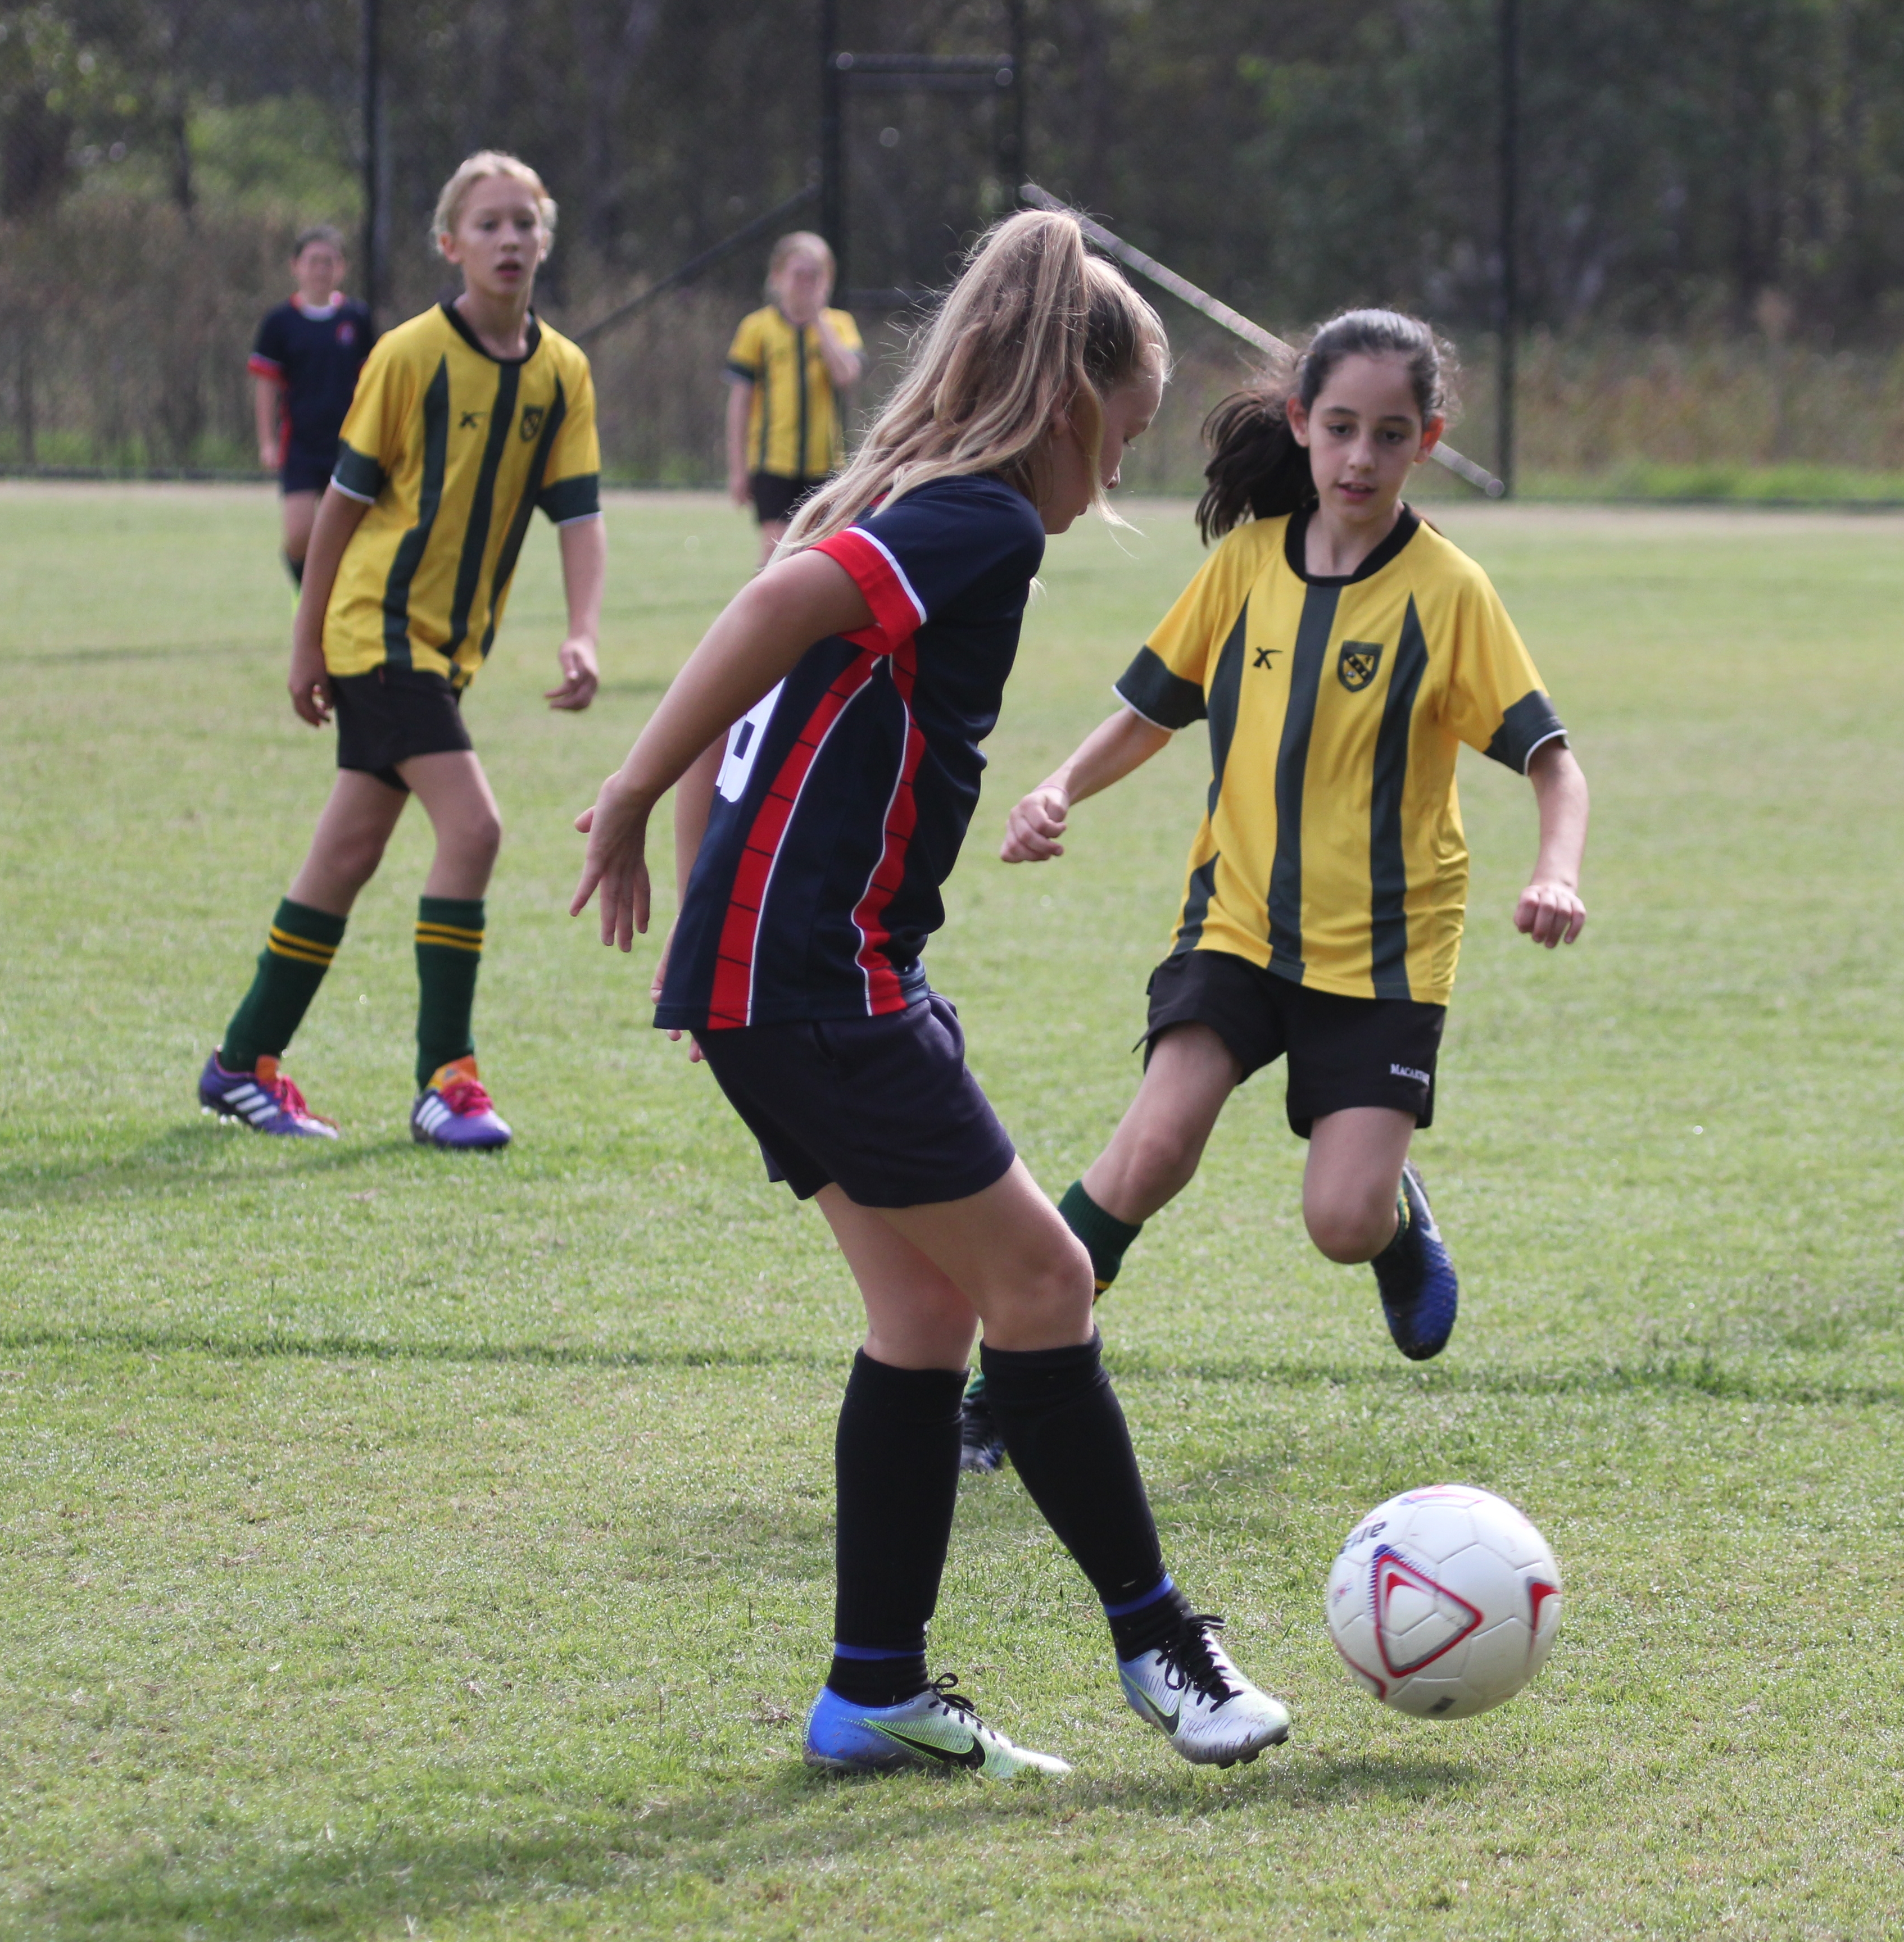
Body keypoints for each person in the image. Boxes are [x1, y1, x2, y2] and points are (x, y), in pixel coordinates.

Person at [572, 209, 1293, 1779]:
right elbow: (767, 623)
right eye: (1128, 436)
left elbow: (772, 666)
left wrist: (708, 893)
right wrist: (632, 800)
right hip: (814, 980)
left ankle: (871, 1692)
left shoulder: (897, 495)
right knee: (1044, 1285)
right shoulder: (981, 521)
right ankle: (1163, 1650)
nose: (1121, 473)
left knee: (923, 1310)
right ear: (1069, 404)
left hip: (772, 978)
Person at [961, 308, 1590, 1471]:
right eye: (1340, 428)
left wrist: (1556, 871)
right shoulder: (1244, 568)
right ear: (1300, 424)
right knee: (1152, 1149)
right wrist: (1056, 789)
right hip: (1235, 923)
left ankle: (1394, 1220)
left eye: (1390, 436)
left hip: (1387, 951)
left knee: (1338, 1223)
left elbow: (1556, 762)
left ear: (1428, 440)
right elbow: (1150, 712)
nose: (1360, 459)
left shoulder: (1448, 594)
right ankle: (1012, 1378)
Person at [197, 152, 606, 1147]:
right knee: (474, 829)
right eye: (488, 224)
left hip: (443, 652)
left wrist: (583, 630)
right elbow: (336, 511)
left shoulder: (563, 372)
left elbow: (579, 517)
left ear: (544, 239)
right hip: (374, 629)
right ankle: (445, 1082)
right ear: (449, 244)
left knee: (346, 852)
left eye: (524, 223)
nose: (508, 240)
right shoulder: (410, 354)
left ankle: (242, 1062)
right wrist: (306, 642)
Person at [724, 232, 863, 567]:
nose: (806, 283)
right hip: (774, 462)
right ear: (778, 277)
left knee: (823, 556)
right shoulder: (757, 329)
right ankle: (762, 619)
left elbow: (847, 376)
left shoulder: (840, 325)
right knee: (775, 555)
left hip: (827, 463)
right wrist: (738, 469)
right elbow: (740, 403)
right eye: (798, 274)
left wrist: (817, 320)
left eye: (815, 275)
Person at [249, 226, 376, 588]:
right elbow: (266, 386)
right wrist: (267, 442)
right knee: (300, 535)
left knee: (352, 537)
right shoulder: (280, 323)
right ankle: (304, 597)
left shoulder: (356, 318)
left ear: (342, 268)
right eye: (314, 261)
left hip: (349, 443)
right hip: (301, 445)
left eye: (330, 261)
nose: (321, 269)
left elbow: (372, 381)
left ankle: (334, 608)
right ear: (296, 266)